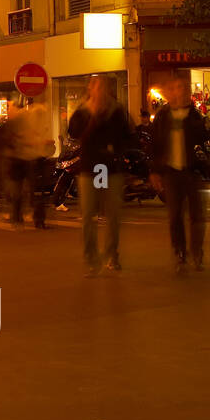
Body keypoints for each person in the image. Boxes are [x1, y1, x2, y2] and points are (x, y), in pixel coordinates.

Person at [68, 75, 134, 276]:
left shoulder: (117, 111)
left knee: (112, 213)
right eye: (96, 86)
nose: (99, 90)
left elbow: (128, 136)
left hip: (109, 167)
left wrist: (117, 151)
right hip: (90, 167)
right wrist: (92, 119)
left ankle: (112, 254)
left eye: (103, 87)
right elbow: (73, 132)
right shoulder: (83, 111)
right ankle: (91, 258)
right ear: (90, 89)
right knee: (89, 214)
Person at [150, 75, 210, 272]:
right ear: (170, 92)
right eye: (176, 88)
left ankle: (196, 252)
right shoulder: (162, 116)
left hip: (192, 170)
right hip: (171, 172)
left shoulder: (194, 115)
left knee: (197, 216)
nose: (180, 92)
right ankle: (180, 252)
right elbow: (154, 145)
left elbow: (203, 136)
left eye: (183, 88)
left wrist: (189, 118)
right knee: (175, 215)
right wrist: (154, 171)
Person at [5, 101, 53, 228]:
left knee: (31, 191)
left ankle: (27, 218)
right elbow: (14, 139)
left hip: (30, 160)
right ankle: (24, 218)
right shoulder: (21, 120)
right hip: (21, 160)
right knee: (26, 191)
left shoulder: (31, 119)